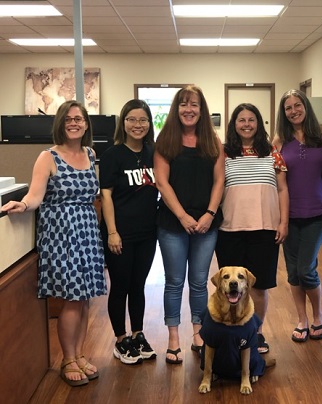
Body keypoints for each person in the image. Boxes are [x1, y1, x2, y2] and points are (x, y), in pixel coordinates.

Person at [1, 100, 106, 386]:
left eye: (79, 118)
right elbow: (35, 196)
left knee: (85, 300)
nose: (74, 123)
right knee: (71, 300)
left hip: (87, 232)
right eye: (69, 118)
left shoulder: (90, 153)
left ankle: (80, 354)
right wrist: (22, 205)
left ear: (86, 124)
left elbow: (93, 195)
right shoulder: (48, 157)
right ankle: (68, 359)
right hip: (61, 235)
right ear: (60, 123)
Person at [154, 85, 224, 365]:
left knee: (198, 282)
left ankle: (198, 333)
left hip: (207, 223)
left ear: (201, 109)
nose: (188, 109)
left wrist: (209, 213)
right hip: (173, 224)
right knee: (173, 282)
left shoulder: (213, 142)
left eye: (194, 104)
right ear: (176, 109)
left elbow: (220, 180)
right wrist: (183, 216)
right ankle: (173, 338)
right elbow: (162, 182)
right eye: (183, 104)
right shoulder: (166, 141)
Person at [215, 103, 289, 353]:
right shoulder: (224, 153)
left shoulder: (271, 152)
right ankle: (232, 332)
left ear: (259, 123)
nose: (246, 124)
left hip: (265, 229)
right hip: (230, 230)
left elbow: (282, 189)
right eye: (241, 120)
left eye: (251, 120)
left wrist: (283, 222)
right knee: (230, 288)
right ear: (233, 124)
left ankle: (255, 333)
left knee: (259, 285)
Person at [99, 99, 158, 365]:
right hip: (119, 233)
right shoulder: (113, 154)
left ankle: (138, 335)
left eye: (143, 120)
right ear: (123, 123)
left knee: (138, 285)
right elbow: (106, 195)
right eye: (132, 119)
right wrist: (112, 232)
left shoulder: (153, 153)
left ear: (149, 123)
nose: (137, 125)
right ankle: (121, 340)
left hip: (147, 233)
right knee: (120, 286)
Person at [273, 89, 322, 342]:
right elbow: (276, 180)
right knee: (293, 272)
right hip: (289, 215)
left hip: (318, 213)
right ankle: (302, 320)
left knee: (307, 269)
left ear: (306, 106)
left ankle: (319, 316)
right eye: (288, 108)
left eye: (298, 105)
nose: (293, 111)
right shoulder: (279, 142)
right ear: (283, 113)